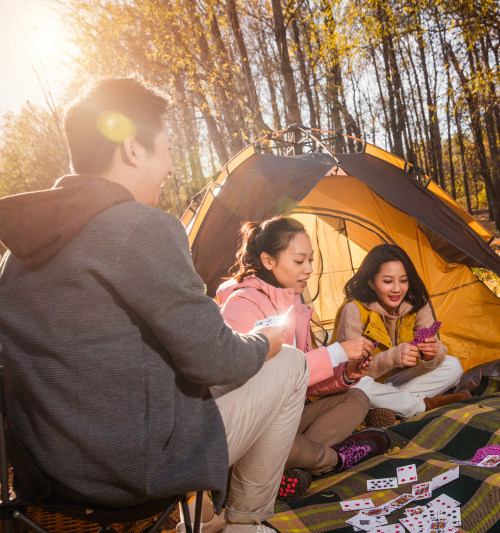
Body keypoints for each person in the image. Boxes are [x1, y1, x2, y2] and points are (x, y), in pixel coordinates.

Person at [0, 77, 309, 533]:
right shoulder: (141, 227)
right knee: (292, 364)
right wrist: (265, 341)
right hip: (131, 473)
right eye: (166, 149)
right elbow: (216, 359)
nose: (169, 167)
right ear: (131, 149)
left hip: (46, 479)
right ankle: (247, 522)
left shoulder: (18, 253)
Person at [217, 216, 390, 500]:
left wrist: (345, 372)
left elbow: (303, 382)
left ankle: (290, 464)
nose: (309, 269)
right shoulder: (242, 304)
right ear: (268, 260)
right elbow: (262, 377)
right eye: (299, 262)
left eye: (310, 260)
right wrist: (336, 351)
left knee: (357, 398)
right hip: (252, 426)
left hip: (287, 419)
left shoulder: (294, 302)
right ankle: (328, 460)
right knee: (278, 442)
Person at [333, 244, 468, 427]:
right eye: (388, 281)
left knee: (453, 366)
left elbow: (438, 350)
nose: (397, 289)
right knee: (356, 387)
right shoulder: (354, 310)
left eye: (403, 281)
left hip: (397, 381)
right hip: (364, 380)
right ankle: (422, 405)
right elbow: (349, 371)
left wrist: (433, 354)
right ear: (371, 282)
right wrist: (392, 357)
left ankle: (386, 406)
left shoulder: (417, 305)